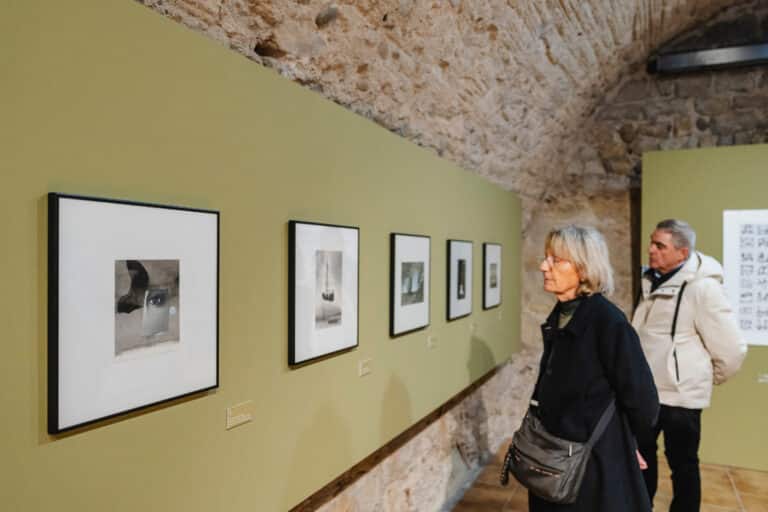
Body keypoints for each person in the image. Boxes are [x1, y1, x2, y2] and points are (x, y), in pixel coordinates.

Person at [529, 225, 659, 512]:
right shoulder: (561, 314)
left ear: (584, 269)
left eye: (556, 260)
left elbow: (642, 397)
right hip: (556, 458)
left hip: (591, 465)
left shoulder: (608, 322)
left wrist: (629, 443)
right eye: (545, 257)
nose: (543, 266)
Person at [633, 219, 747, 512]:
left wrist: (699, 378)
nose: (651, 250)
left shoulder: (704, 289)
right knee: (641, 457)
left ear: (682, 253)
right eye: (651, 242)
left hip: (680, 397)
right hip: (647, 392)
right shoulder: (649, 280)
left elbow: (732, 349)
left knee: (683, 465)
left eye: (660, 245)